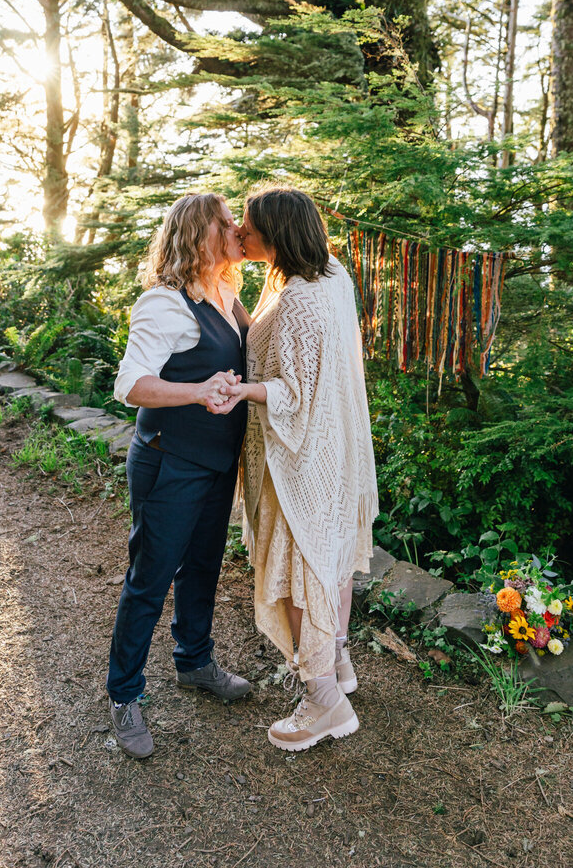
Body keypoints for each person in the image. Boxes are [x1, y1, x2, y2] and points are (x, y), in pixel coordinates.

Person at [211, 185, 378, 751]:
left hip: (301, 455)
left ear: (276, 235)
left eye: (249, 229)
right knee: (327, 558)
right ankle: (339, 661)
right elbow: (272, 332)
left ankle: (324, 701)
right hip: (334, 447)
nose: (240, 235)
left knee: (297, 571)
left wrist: (241, 391)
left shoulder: (302, 300)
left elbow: (295, 393)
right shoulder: (327, 274)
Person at [108, 193, 252, 759]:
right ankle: (124, 695)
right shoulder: (163, 304)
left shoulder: (225, 291)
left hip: (217, 463)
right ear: (201, 233)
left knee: (203, 568)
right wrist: (197, 392)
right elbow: (130, 385)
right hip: (170, 461)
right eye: (226, 222)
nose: (237, 228)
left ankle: (194, 661)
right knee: (150, 577)